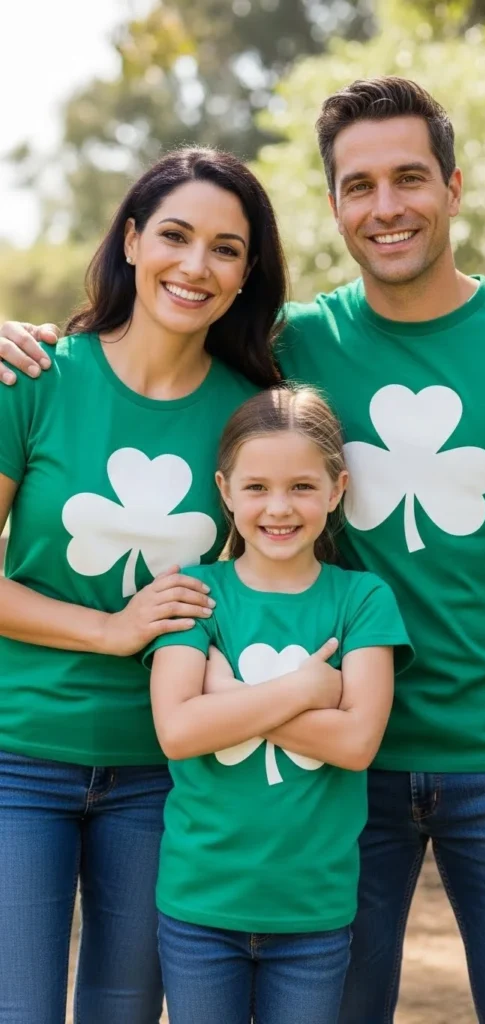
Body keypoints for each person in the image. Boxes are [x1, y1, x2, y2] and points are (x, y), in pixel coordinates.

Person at [4, 75, 485, 1021]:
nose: (386, 207)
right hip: (316, 765)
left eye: (409, 179)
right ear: (333, 205)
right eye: (360, 185)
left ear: (456, 186)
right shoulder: (286, 355)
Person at [0, 145, 288, 1024]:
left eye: (227, 248)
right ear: (130, 241)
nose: (195, 266)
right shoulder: (36, 380)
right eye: (174, 235)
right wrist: (112, 631)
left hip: (168, 772)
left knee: (124, 1012)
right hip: (20, 758)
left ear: (247, 275)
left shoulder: (252, 414)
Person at [144, 385, 412, 1024]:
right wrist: (308, 689)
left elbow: (356, 744)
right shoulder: (195, 594)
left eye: (302, 486)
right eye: (257, 487)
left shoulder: (362, 600)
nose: (279, 508)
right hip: (200, 905)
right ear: (225, 489)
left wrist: (230, 699)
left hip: (314, 912)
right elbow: (179, 731)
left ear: (336, 488)